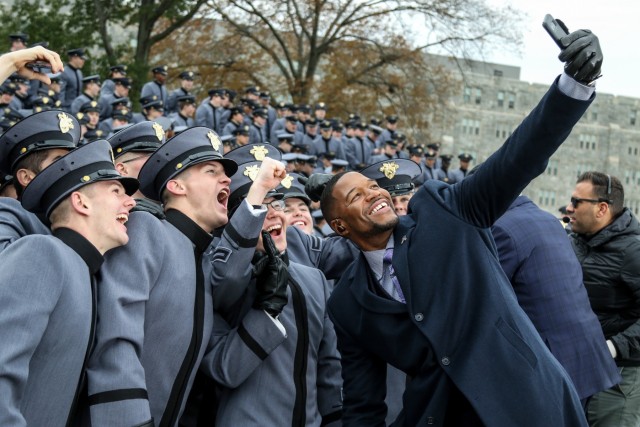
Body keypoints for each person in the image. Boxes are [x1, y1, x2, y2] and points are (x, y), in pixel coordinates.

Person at [316, 23, 603, 426]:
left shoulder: (442, 211)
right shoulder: (346, 304)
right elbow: (363, 401)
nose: (375, 193)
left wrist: (573, 84)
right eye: (356, 197)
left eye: (373, 186)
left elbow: (517, 158)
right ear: (339, 226)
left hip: (529, 405)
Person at [86, 128, 283, 427]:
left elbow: (226, 279)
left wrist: (257, 193)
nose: (227, 179)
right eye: (210, 170)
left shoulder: (200, 259)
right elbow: (115, 338)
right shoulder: (145, 229)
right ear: (176, 186)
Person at [0, 139, 137, 426]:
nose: (131, 202)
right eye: (116, 191)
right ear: (81, 202)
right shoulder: (42, 253)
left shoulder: (88, 275)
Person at [202, 147, 342, 426]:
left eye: (276, 204)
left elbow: (328, 364)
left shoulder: (313, 278)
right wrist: (266, 311)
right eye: (259, 209)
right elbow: (225, 371)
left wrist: (335, 416)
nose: (273, 214)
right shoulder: (220, 279)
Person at [490, 191, 620, 405]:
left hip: (553, 361)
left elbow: (485, 293)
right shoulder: (548, 219)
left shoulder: (502, 228)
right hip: (582, 357)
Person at [566, 172, 640, 426]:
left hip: (616, 380)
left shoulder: (633, 252)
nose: (569, 207)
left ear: (602, 209)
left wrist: (614, 346)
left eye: (577, 202)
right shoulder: (573, 241)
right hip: (575, 372)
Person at [0, 110, 80, 252]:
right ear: (26, 177)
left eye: (72, 161)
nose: (70, 169)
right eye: (59, 163)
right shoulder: (6, 214)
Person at [107, 121, 166, 217]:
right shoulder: (120, 217)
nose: (160, 164)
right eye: (151, 158)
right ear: (122, 170)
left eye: (161, 159)